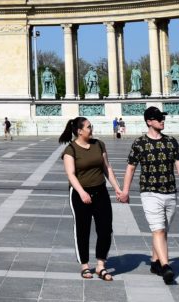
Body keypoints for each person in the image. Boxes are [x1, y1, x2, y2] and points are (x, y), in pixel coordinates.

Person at [120, 107, 179, 285]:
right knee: (158, 229)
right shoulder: (139, 143)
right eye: (159, 118)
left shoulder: (171, 141)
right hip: (150, 192)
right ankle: (166, 266)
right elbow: (131, 167)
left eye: (163, 118)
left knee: (162, 231)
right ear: (149, 121)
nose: (163, 120)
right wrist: (125, 191)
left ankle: (154, 262)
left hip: (170, 192)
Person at [60, 116, 125, 282]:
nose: (92, 129)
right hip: (80, 193)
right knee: (83, 229)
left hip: (100, 191)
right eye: (89, 127)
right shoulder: (70, 150)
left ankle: (100, 265)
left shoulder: (99, 144)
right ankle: (84, 265)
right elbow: (70, 174)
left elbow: (107, 168)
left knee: (105, 228)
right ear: (80, 131)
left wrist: (118, 189)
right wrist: (81, 192)